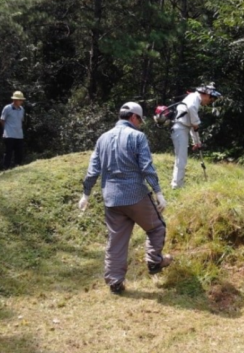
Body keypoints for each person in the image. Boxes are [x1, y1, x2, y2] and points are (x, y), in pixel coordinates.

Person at [78, 102, 172, 294]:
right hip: (135, 195)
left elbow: (92, 170)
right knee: (156, 227)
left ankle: (115, 282)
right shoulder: (137, 137)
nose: (140, 124)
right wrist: (158, 193)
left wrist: (85, 194)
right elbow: (146, 167)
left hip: (111, 198)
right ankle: (154, 262)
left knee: (116, 241)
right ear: (133, 117)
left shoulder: (102, 138)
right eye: (140, 120)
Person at [170, 83, 221, 189]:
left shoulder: (194, 99)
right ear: (206, 94)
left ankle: (178, 183)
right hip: (179, 128)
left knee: (182, 157)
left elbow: (193, 127)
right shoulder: (194, 98)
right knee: (181, 158)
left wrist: (196, 142)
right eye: (211, 99)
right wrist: (196, 122)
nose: (209, 102)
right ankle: (177, 185)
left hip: (183, 128)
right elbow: (192, 114)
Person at [0, 91, 26, 170]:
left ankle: (17, 167)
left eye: (22, 100)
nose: (21, 102)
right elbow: (2, 120)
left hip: (19, 134)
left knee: (19, 152)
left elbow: (21, 120)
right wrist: (6, 129)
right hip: (9, 134)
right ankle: (6, 168)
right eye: (20, 100)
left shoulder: (22, 109)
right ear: (14, 100)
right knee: (8, 152)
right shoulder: (7, 108)